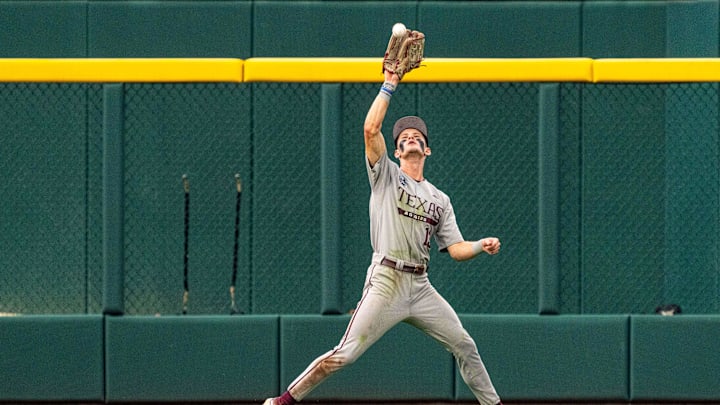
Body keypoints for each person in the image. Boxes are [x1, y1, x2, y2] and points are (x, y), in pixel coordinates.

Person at [264, 69, 503, 405]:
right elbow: (370, 129)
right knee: (345, 354)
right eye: (403, 136)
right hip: (386, 280)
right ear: (396, 150)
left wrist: (480, 245)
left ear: (427, 150)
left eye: (416, 135)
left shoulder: (440, 198)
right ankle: (282, 402)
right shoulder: (386, 175)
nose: (409, 137)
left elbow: (456, 248)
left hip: (421, 287)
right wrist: (390, 83)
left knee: (465, 345)